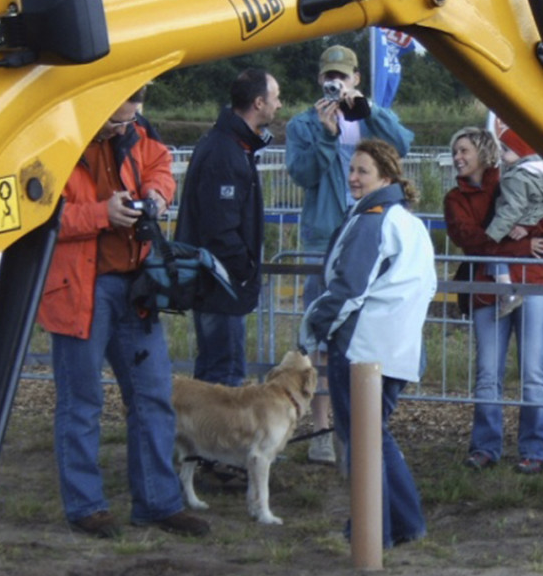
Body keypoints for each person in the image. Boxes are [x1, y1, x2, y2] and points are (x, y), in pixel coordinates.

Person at [37, 86, 209, 538]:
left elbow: (161, 167)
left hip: (133, 288)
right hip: (80, 290)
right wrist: (101, 214)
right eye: (116, 121)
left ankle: (155, 502)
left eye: (130, 119)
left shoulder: (136, 135)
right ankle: (87, 506)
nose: (124, 127)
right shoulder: (52, 146)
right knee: (82, 403)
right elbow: (38, 216)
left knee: (153, 398)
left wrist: (154, 197)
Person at [298, 138, 436, 548]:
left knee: (362, 440)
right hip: (398, 349)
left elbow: (348, 289)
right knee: (375, 436)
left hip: (362, 349)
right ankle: (404, 522)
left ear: (386, 178)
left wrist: (312, 329)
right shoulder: (411, 223)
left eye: (363, 171)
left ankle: (372, 532)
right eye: (352, 169)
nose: (353, 178)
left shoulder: (372, 220)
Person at [286, 44, 414, 465]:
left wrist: (367, 111)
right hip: (325, 236)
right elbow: (302, 174)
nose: (335, 83)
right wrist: (326, 136)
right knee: (324, 337)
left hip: (371, 234)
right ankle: (324, 429)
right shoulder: (305, 123)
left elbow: (402, 147)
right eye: (329, 77)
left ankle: (362, 428)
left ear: (356, 78)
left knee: (368, 331)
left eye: (343, 76)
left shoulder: (369, 115)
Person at [444, 126, 543, 475]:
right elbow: (472, 241)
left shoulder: (514, 178)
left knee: (533, 371)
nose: (458, 158)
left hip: (530, 282)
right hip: (489, 287)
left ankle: (534, 448)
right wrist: (524, 246)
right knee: (487, 373)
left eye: (464, 150)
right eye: (455, 152)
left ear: (483, 153)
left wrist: (531, 233)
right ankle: (486, 445)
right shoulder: (456, 199)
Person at [175, 68, 281, 386]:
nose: (279, 105)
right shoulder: (226, 152)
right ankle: (211, 435)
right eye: (276, 98)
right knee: (224, 376)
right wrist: (244, 268)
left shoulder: (231, 145)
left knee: (213, 371)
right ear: (259, 102)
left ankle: (200, 433)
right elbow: (219, 226)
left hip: (218, 280)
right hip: (220, 283)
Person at [486, 119, 543, 318]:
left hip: (520, 230)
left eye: (506, 150)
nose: (501, 155)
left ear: (520, 151)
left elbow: (512, 208)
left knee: (494, 254)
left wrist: (494, 233)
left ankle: (508, 293)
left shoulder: (514, 178)